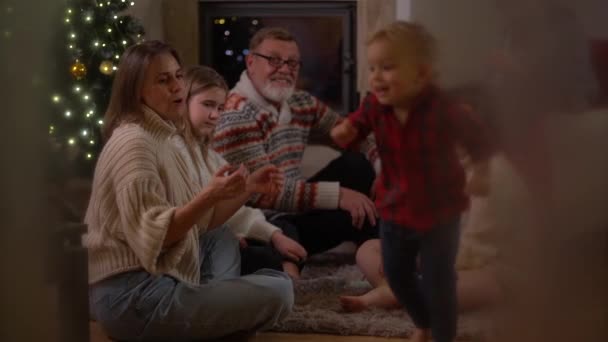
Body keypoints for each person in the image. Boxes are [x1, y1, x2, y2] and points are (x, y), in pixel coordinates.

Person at [84, 40, 293, 341]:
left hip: (161, 278)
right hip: (133, 298)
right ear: (137, 90)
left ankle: (209, 318)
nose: (176, 86)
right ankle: (213, 321)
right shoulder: (134, 144)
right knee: (280, 290)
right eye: (163, 79)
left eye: (179, 75)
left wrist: (247, 188)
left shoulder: (165, 137)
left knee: (220, 237)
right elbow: (155, 238)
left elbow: (204, 222)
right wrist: (210, 194)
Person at [331, 21, 493, 342]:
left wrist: (482, 171)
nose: (376, 76)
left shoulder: (445, 109)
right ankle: (422, 318)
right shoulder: (375, 106)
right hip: (395, 208)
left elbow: (478, 141)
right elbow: (356, 128)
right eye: (373, 67)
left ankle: (442, 335)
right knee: (397, 273)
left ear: (422, 73)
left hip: (439, 211)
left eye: (387, 67)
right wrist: (346, 133)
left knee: (439, 279)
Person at [212, 27, 381, 279]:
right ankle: (286, 275)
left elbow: (354, 136)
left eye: (292, 62)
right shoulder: (236, 115)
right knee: (282, 231)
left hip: (295, 212)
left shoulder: (300, 103)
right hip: (256, 222)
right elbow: (266, 194)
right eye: (274, 60)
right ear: (251, 62)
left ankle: (384, 265)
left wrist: (383, 170)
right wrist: (340, 195)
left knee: (357, 168)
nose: (285, 68)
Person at [182, 64, 308, 276]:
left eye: (220, 108)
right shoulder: (176, 152)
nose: (215, 115)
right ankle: (287, 275)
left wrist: (274, 235)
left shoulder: (212, 158)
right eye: (207, 105)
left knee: (283, 228)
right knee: (264, 257)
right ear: (183, 102)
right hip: (199, 246)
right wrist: (230, 234)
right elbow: (198, 217)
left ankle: (287, 273)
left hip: (227, 233)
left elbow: (237, 212)